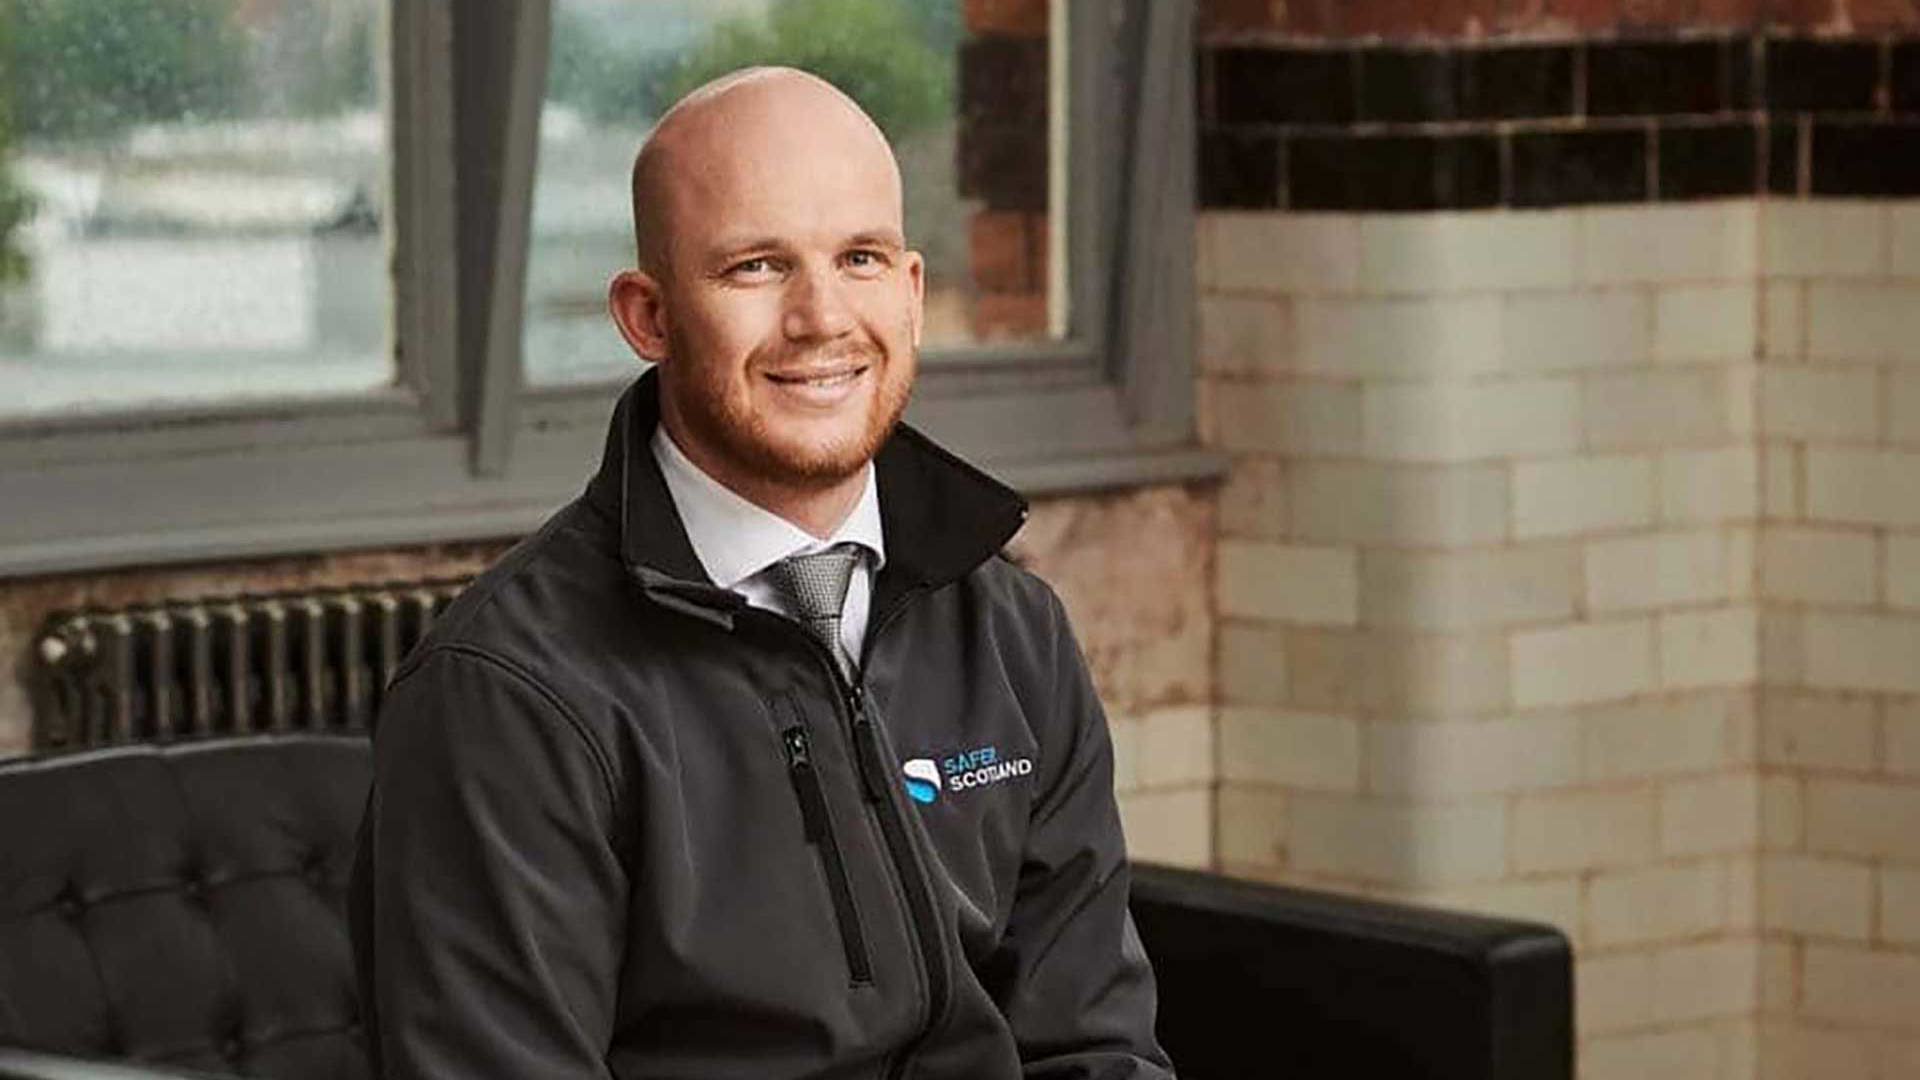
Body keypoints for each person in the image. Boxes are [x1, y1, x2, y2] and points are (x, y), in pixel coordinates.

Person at [348, 66, 1173, 1079]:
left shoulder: (1009, 629)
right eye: (756, 267)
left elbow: (1094, 1044)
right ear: (649, 316)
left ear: (911, 294)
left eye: (860, 257)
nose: (822, 317)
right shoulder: (508, 696)